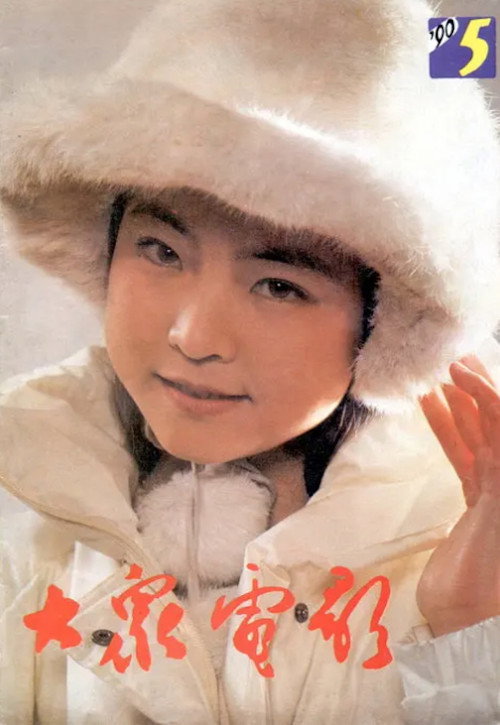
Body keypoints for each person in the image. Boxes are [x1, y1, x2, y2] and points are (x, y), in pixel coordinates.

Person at [0, 0, 499, 723]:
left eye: (279, 285)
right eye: (161, 250)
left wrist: (468, 636)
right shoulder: (32, 538)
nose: (194, 337)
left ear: (384, 322)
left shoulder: (463, 549)